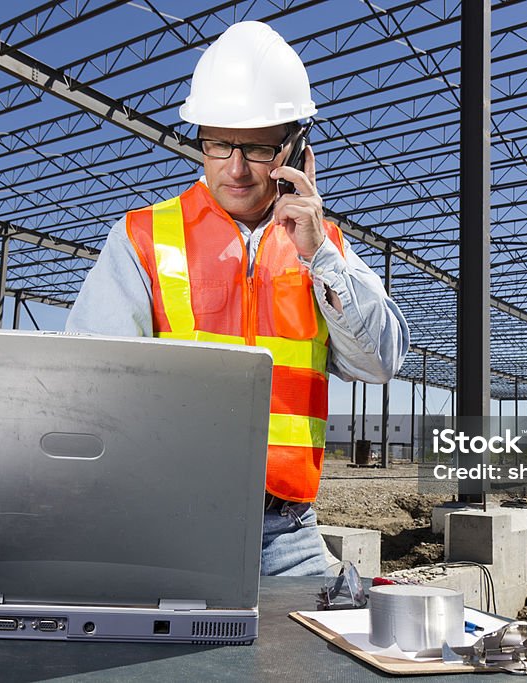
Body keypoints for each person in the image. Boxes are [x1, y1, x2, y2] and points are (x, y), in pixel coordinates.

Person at [66, 21, 408, 576]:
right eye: (219, 143)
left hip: (287, 531)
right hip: (167, 521)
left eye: (256, 147)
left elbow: (381, 362)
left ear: (295, 149)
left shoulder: (325, 248)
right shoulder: (144, 236)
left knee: (330, 658)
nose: (236, 166)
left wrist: (318, 254)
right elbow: (88, 384)